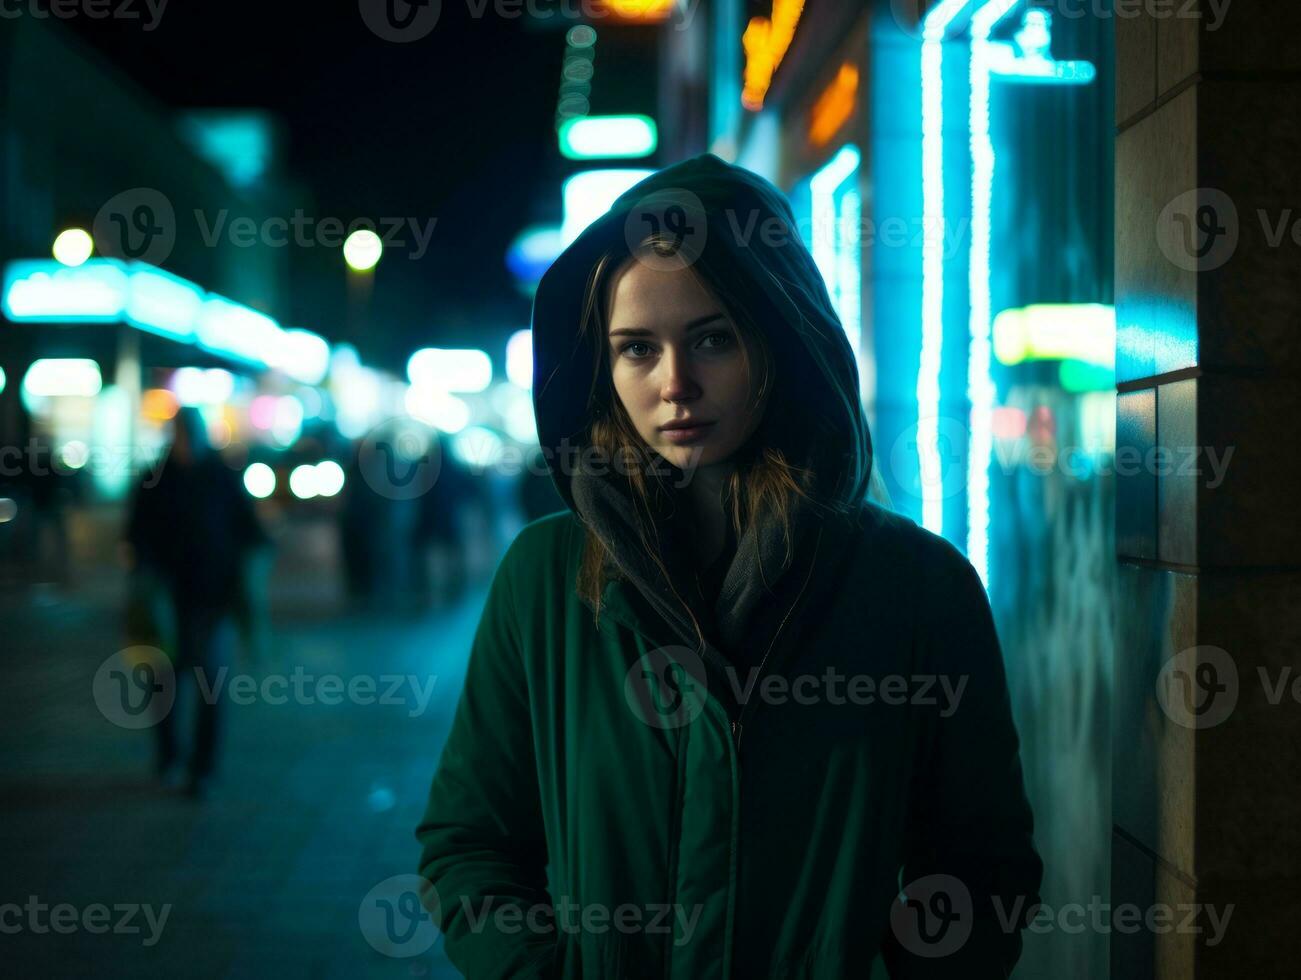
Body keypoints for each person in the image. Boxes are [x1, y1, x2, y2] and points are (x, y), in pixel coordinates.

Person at [414, 154, 1043, 978]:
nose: (675, 383)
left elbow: (980, 871)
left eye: (712, 338)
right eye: (636, 349)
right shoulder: (547, 576)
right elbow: (469, 845)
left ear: (781, 341)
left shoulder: (918, 586)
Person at [125, 407, 270, 798]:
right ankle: (169, 757)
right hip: (166, 602)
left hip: (213, 599)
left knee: (210, 686)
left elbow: (249, 529)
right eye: (181, 433)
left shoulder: (221, 476)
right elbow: (136, 533)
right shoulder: (154, 479)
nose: (187, 440)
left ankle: (202, 768)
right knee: (163, 685)